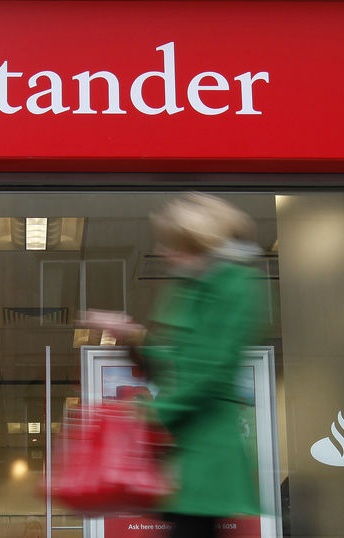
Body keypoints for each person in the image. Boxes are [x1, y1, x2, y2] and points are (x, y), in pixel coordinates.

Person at [82, 193, 264, 538]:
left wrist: (145, 416)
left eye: (172, 244)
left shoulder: (232, 286)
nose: (164, 252)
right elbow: (174, 366)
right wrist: (130, 335)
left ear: (197, 243)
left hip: (205, 452)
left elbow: (210, 373)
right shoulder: (193, 287)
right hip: (182, 455)